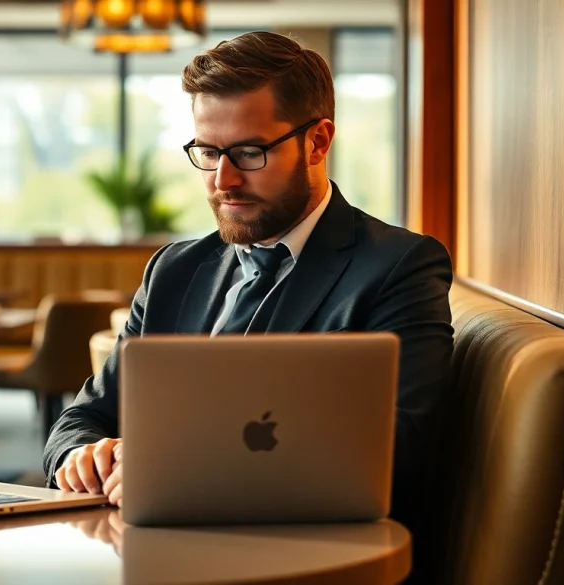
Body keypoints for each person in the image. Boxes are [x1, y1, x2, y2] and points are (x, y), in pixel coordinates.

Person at [43, 31, 454, 537]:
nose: (223, 180)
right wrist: (81, 456)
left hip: (301, 555)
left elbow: (401, 452)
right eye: (209, 152)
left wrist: (181, 470)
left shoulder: (398, 266)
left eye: (250, 152)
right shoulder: (173, 271)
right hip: (151, 550)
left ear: (318, 142)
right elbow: (82, 417)